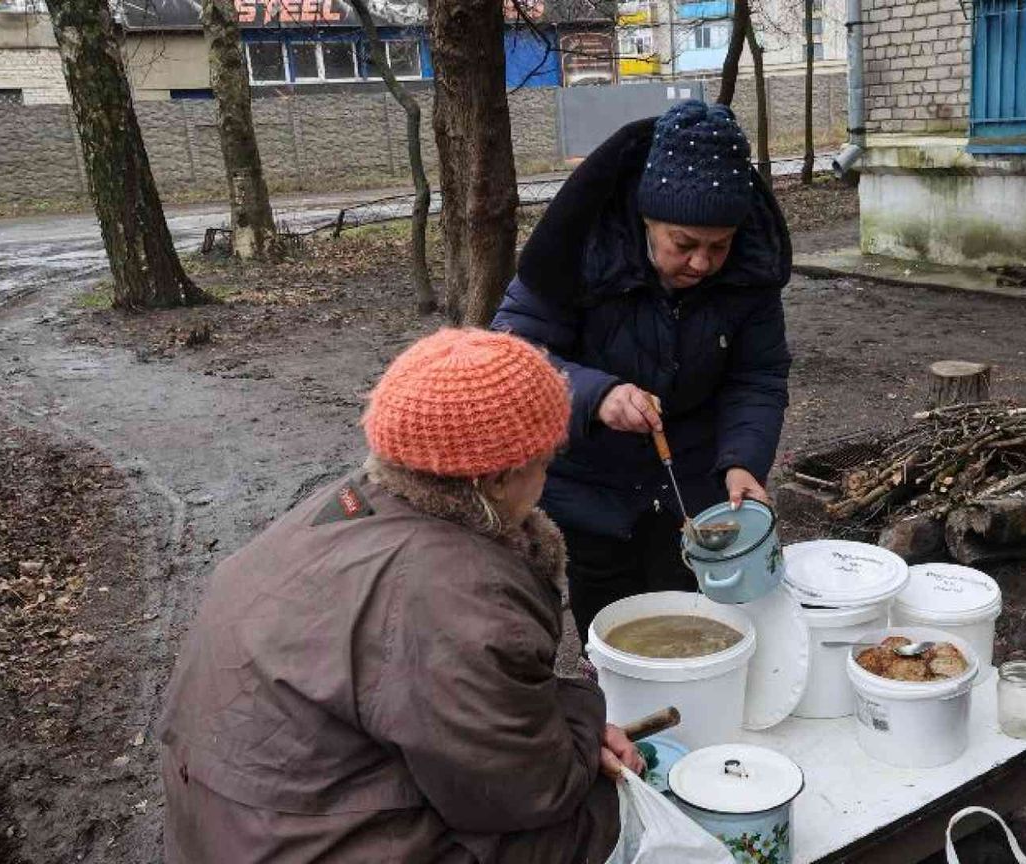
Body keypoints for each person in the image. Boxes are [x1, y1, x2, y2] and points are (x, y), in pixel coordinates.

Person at [156, 329, 642, 863]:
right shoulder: (463, 592)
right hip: (296, 844)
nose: (548, 475)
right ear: (500, 477)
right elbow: (527, 796)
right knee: (599, 813)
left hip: (226, 821)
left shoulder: (347, 505)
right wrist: (581, 714)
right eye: (547, 460)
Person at [493, 99, 792, 638]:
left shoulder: (750, 275)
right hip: (591, 483)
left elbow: (758, 377)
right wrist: (596, 395)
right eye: (684, 244)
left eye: (718, 246)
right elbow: (513, 354)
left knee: (686, 615)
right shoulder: (579, 251)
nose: (701, 263)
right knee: (606, 616)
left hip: (692, 483)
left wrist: (743, 462)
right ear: (646, 215)